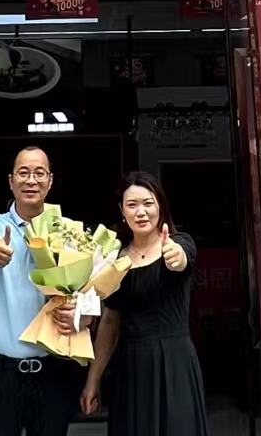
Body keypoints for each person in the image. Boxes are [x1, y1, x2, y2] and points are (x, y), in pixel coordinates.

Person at [80, 172, 207, 436]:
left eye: (148, 203)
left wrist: (176, 257)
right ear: (122, 211)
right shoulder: (115, 259)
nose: (141, 212)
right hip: (131, 367)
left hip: (174, 363)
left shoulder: (178, 243)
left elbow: (182, 260)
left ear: (160, 205)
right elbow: (110, 323)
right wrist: (93, 380)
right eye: (132, 204)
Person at [0, 146, 85, 436]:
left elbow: (89, 294)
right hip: (0, 374)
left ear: (50, 180)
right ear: (11, 181)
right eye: (23, 173)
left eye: (39, 173)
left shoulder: (69, 232)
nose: (31, 180)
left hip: (53, 372)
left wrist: (80, 313)